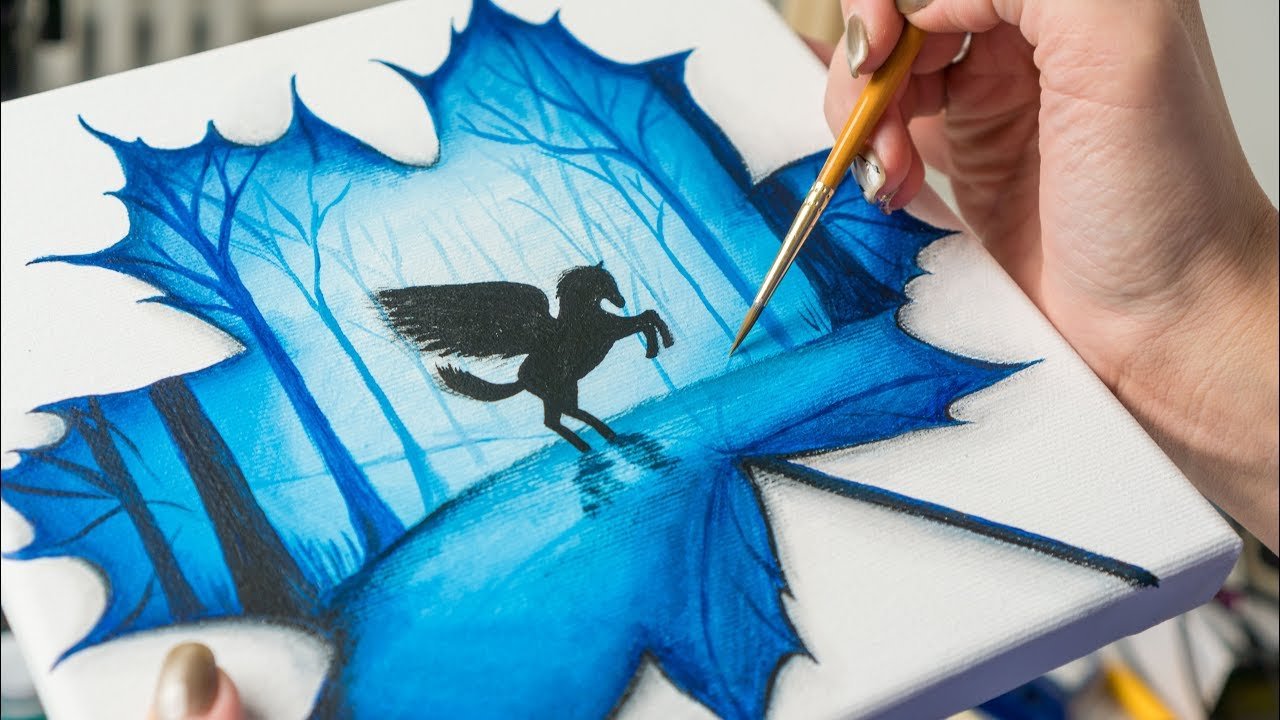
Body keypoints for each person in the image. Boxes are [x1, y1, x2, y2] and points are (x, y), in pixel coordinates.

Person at [146, 0, 1278, 716]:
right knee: (561, 412)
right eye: (596, 297)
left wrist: (1193, 315)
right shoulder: (543, 322)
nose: (602, 301)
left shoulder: (590, 313)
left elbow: (609, 320)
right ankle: (592, 442)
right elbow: (543, 339)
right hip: (556, 389)